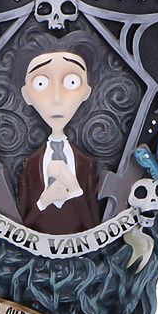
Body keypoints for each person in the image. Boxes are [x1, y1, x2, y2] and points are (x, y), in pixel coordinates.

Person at [16, 50, 101, 234]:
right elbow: (20, 227)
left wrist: (75, 188)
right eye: (41, 83)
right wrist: (43, 202)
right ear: (26, 94)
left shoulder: (87, 165)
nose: (56, 99)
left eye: (72, 82)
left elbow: (95, 227)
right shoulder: (29, 165)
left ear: (86, 92)